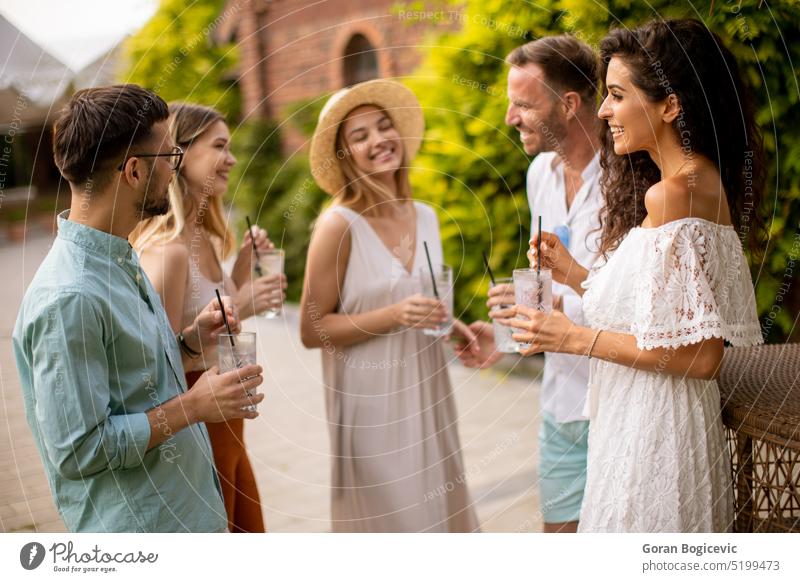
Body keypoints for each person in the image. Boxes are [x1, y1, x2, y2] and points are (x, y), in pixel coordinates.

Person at [509, 19, 765, 532]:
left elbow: (701, 354)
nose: (604, 111)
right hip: (645, 423)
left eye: (617, 96)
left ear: (670, 106)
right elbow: (656, 314)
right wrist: (572, 272)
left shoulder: (671, 195)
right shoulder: (694, 180)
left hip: (655, 437)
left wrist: (575, 337)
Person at [12, 85, 264, 532]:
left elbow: (130, 380)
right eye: (170, 158)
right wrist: (193, 405)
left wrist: (187, 344)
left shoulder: (118, 258)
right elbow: (77, 451)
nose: (176, 170)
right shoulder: (69, 296)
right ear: (133, 171)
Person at [301, 79, 480, 532]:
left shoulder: (426, 217)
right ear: (346, 156)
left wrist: (452, 323)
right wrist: (394, 316)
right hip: (372, 404)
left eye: (384, 127)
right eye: (359, 137)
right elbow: (311, 329)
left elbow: (416, 297)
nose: (378, 140)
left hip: (429, 390)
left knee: (440, 521)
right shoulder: (337, 226)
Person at [456, 35, 602, 533]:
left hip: (615, 402)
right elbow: (545, 282)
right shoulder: (540, 172)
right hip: (560, 402)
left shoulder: (628, 182)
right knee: (558, 536)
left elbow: (636, 303)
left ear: (568, 104)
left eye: (522, 103)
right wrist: (511, 331)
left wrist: (553, 303)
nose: (509, 118)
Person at [131, 102, 285, 533]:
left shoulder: (205, 240)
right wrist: (248, 302)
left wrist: (240, 276)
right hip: (199, 432)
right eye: (220, 146)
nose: (232, 159)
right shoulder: (169, 252)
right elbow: (148, 373)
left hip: (230, 427)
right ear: (180, 153)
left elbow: (214, 324)